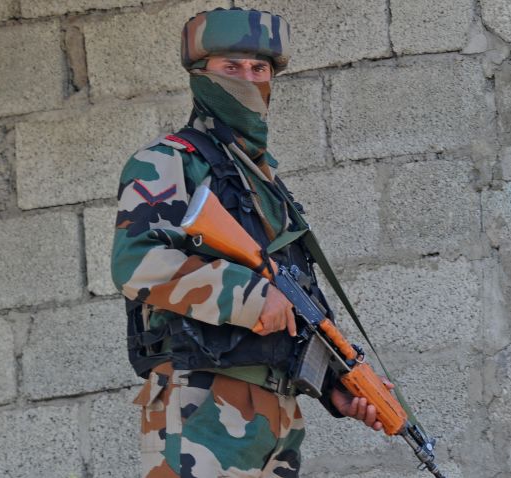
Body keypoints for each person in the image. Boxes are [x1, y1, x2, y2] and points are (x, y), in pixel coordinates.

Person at [111, 7, 389, 478]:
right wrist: (250, 296)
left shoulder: (262, 180)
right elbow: (137, 263)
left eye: (259, 69)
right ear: (201, 75)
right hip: (200, 407)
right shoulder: (167, 161)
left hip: (275, 417)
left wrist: (333, 385)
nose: (247, 78)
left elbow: (297, 305)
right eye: (230, 68)